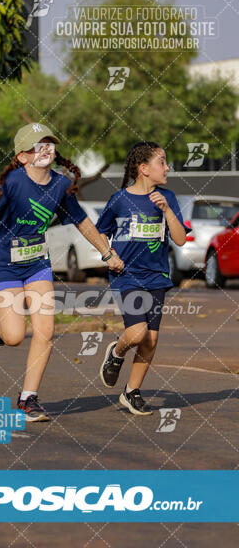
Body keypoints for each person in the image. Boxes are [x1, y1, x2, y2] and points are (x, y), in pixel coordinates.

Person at [0, 122, 124, 422]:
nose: (47, 148)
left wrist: (106, 252)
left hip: (37, 262)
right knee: (13, 337)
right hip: (2, 262)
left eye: (50, 142)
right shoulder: (11, 182)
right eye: (39, 144)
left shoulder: (61, 185)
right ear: (23, 156)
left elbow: (81, 221)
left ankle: (28, 398)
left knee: (45, 331)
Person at [96, 141, 187, 415]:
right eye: (162, 162)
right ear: (144, 168)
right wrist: (108, 255)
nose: (167, 167)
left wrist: (167, 211)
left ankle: (131, 392)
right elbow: (100, 231)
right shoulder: (120, 200)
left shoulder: (168, 198)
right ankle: (116, 353)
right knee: (137, 333)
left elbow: (181, 240)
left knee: (151, 340)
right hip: (126, 276)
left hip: (157, 277)